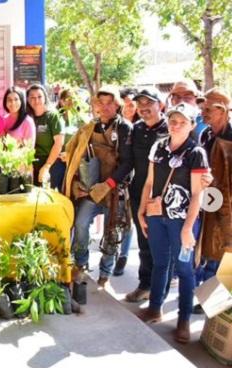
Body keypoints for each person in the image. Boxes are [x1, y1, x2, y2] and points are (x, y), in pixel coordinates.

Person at [136, 103, 208, 344]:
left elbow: (198, 194)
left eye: (182, 122)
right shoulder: (159, 147)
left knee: (185, 270)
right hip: (157, 216)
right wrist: (141, 210)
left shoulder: (196, 153)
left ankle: (184, 319)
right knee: (160, 262)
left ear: (191, 125)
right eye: (173, 120)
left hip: (182, 221)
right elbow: (149, 182)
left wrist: (188, 227)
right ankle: (155, 307)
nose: (176, 125)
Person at [63, 86, 133, 288]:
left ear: (117, 104)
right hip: (91, 191)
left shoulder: (124, 128)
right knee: (81, 223)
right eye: (100, 102)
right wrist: (77, 183)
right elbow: (74, 156)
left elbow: (128, 163)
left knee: (112, 232)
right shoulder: (88, 128)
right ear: (94, 105)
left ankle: (105, 273)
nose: (104, 107)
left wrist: (109, 184)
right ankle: (81, 263)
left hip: (114, 190)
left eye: (109, 102)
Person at [123, 88, 169, 301]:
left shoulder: (172, 128)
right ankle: (145, 284)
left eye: (148, 103)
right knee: (143, 241)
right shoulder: (136, 129)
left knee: (162, 245)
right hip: (138, 193)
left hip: (164, 196)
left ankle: (160, 291)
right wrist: (111, 182)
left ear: (159, 105)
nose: (144, 108)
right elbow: (128, 161)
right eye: (140, 104)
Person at [194, 88, 232, 312]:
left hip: (227, 203)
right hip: (208, 200)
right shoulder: (205, 135)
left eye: (209, 109)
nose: (204, 112)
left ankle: (215, 304)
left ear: (222, 111)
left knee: (225, 252)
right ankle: (208, 301)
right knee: (208, 250)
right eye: (203, 107)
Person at [26, 84, 65, 188]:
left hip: (51, 162)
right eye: (32, 97)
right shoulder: (27, 118)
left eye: (39, 96)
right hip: (32, 163)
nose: (36, 100)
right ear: (27, 100)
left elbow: (58, 143)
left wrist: (47, 166)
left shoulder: (52, 116)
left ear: (45, 97)